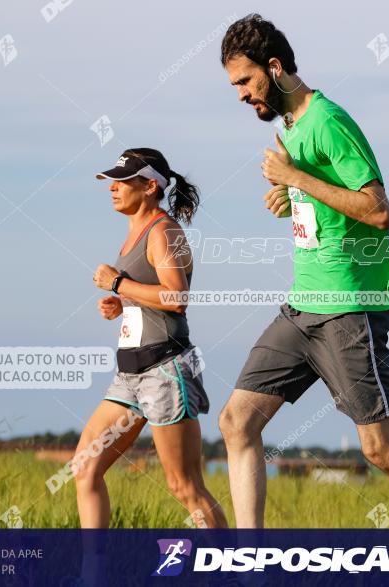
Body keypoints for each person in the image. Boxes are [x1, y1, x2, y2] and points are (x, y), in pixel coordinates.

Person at [218, 14, 389, 533]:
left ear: (275, 67)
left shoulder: (327, 120)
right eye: (234, 84)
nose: (239, 95)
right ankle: (249, 563)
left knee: (380, 448)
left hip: (349, 307)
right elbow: (331, 203)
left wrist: (295, 176)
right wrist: (294, 197)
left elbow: (378, 210)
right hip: (302, 306)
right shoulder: (291, 127)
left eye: (244, 81)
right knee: (236, 422)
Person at [74, 148, 228, 531]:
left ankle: (232, 571)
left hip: (165, 369)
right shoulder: (134, 234)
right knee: (85, 467)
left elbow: (176, 298)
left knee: (184, 486)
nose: (113, 188)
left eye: (123, 181)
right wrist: (121, 303)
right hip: (129, 374)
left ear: (150, 186)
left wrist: (117, 283)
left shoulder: (164, 230)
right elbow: (151, 295)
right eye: (112, 180)